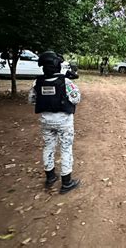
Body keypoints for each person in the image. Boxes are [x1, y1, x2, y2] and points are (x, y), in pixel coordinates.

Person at [28, 51, 81, 194]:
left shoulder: (37, 82)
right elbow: (76, 99)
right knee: (65, 149)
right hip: (64, 122)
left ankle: (50, 177)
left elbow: (32, 100)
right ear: (58, 65)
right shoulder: (66, 82)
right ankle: (66, 182)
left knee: (48, 147)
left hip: (46, 121)